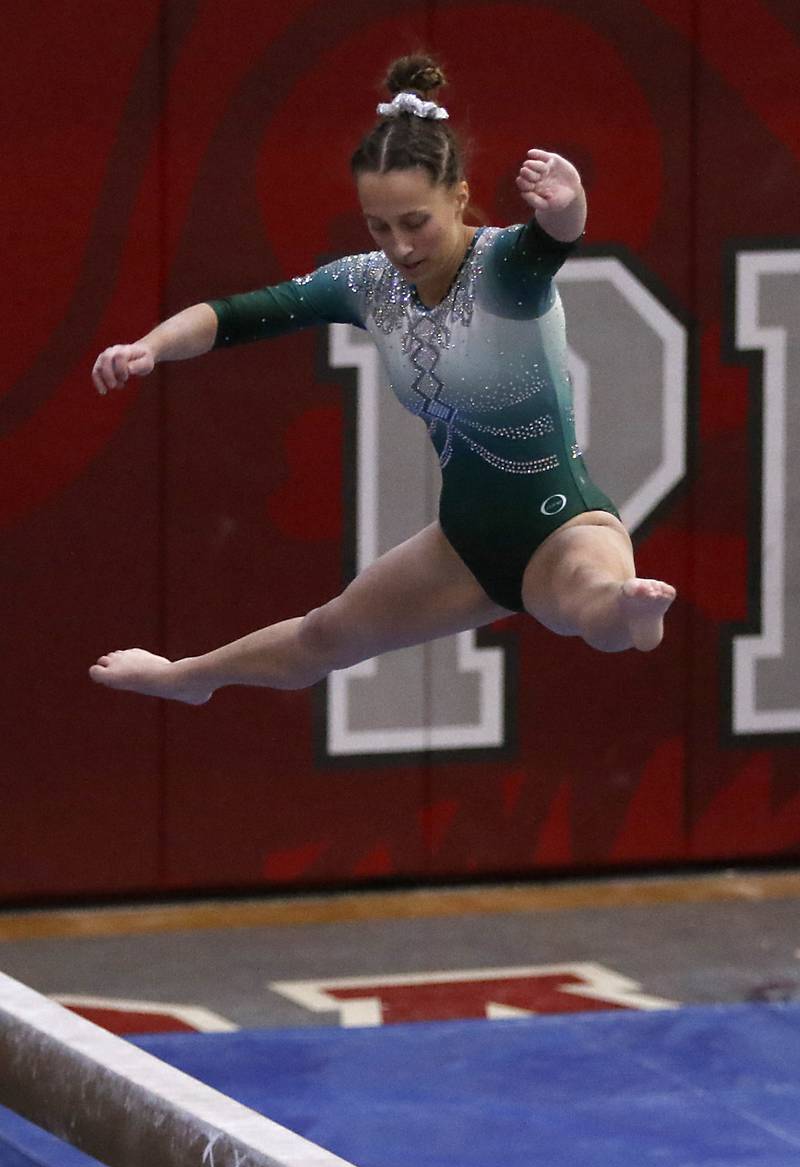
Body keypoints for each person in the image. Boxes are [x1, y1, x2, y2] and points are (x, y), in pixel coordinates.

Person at [90, 54, 675, 707]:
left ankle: (634, 611)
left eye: (415, 221)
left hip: (564, 523)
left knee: (593, 606)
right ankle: (188, 677)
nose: (399, 245)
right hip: (464, 540)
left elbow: (552, 240)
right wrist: (150, 347)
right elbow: (235, 316)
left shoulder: (503, 271)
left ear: (457, 198)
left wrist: (571, 206)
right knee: (322, 636)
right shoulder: (366, 283)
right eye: (379, 224)